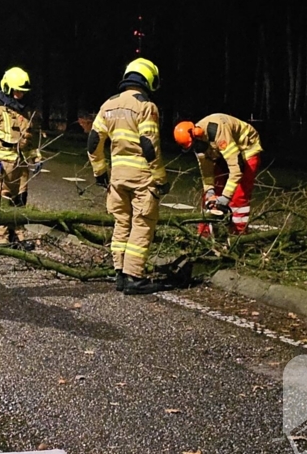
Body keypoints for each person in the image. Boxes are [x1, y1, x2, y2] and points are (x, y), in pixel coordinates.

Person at [87, 58, 169, 294]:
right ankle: (134, 277)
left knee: (122, 222)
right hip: (142, 176)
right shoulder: (146, 106)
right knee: (142, 224)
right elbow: (149, 145)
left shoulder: (108, 105)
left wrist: (100, 171)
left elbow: (94, 142)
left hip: (117, 176)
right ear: (149, 79)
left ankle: (120, 273)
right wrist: (161, 178)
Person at [0, 66, 42, 250]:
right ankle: (1, 238)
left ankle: (19, 236)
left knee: (20, 201)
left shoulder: (25, 111)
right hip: (2, 163)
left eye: (23, 91)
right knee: (1, 202)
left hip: (20, 164)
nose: (20, 95)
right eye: (17, 91)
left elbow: (29, 139)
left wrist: (36, 157)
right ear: (8, 88)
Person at [173, 113, 262, 236]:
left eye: (195, 146)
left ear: (197, 134)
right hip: (220, 153)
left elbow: (236, 169)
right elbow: (207, 173)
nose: (196, 149)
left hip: (246, 149)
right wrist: (210, 191)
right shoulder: (198, 145)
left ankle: (238, 234)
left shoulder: (218, 132)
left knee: (238, 196)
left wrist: (225, 197)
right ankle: (204, 233)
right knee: (210, 196)